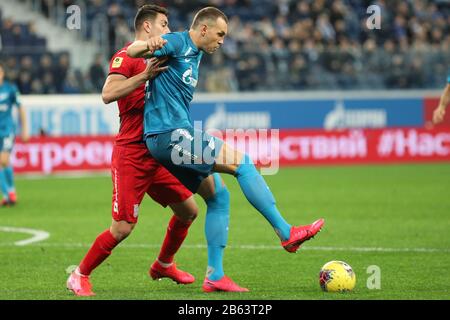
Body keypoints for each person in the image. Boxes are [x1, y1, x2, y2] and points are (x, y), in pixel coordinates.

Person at [127, 6, 325, 290]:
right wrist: (150, 43)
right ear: (204, 29)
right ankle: (286, 232)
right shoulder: (179, 42)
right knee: (243, 164)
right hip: (171, 136)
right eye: (220, 34)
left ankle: (215, 275)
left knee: (219, 196)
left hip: (167, 138)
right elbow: (133, 51)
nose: (222, 41)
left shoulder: (193, 53)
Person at [66, 4, 246, 297]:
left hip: (160, 151)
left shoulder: (167, 52)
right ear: (147, 27)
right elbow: (107, 94)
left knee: (188, 210)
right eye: (164, 24)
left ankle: (164, 264)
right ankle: (79, 274)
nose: (168, 29)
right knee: (122, 228)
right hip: (133, 153)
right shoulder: (128, 56)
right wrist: (143, 77)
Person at [0, 63, 29, 206]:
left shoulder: (10, 89)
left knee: (3, 160)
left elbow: (21, 108)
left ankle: (10, 192)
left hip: (6, 131)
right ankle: (8, 195)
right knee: (2, 163)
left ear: (2, 73)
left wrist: (24, 129)